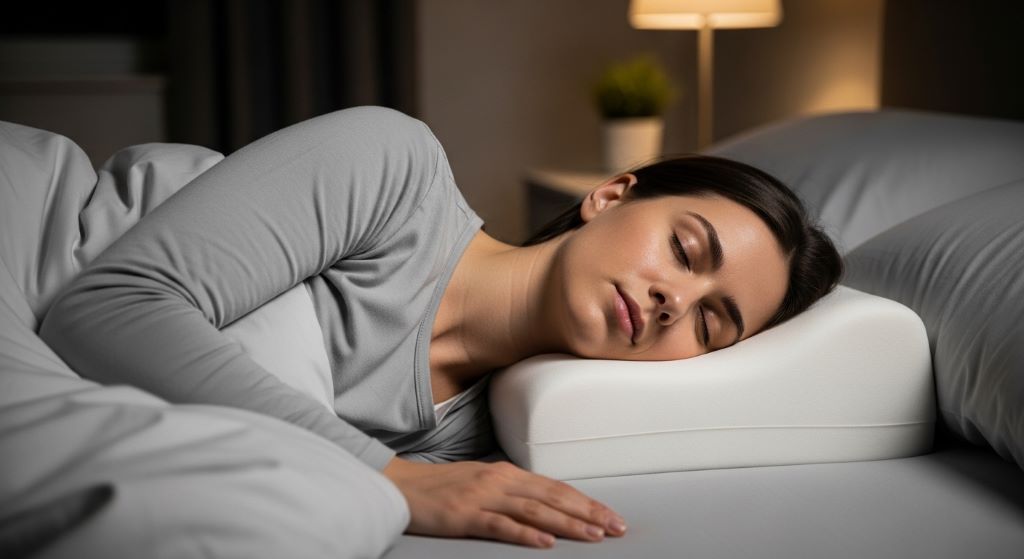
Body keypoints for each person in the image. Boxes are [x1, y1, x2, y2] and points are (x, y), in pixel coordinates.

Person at [40, 106, 842, 549]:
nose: (674, 300)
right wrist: (390, 479)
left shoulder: (480, 442)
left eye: (711, 322)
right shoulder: (396, 171)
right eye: (684, 248)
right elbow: (108, 306)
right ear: (610, 194)